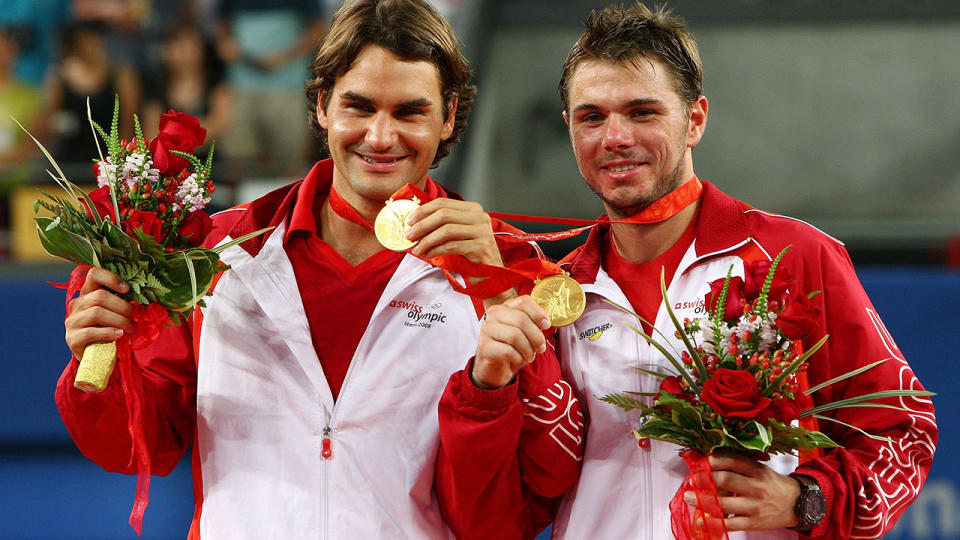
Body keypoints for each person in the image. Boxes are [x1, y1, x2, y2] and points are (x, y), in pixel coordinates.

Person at [55, 0, 581, 537]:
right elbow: (138, 444)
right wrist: (98, 365)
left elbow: (543, 483)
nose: (379, 137)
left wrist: (495, 293)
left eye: (409, 112)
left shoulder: (510, 266)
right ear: (324, 105)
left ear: (448, 118)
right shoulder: (218, 252)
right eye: (359, 107)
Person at [437, 3, 937, 539]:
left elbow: (904, 430)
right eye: (592, 117)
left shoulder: (791, 256)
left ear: (695, 119)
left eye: (642, 112)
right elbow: (516, 503)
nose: (615, 138)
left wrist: (805, 499)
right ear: (569, 128)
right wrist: (487, 389)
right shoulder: (554, 296)